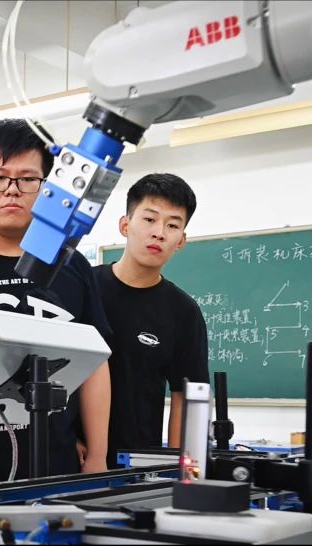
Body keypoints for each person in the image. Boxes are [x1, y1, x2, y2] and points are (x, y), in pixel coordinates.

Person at [0, 118, 112, 483]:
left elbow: (95, 365)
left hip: (57, 465)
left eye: (28, 179)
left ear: (48, 189)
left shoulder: (72, 265)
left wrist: (97, 456)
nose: (12, 190)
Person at [95, 173, 210, 465]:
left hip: (137, 462)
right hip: (71, 457)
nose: (159, 233)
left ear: (181, 240)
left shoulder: (183, 311)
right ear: (125, 225)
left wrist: (176, 469)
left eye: (172, 225)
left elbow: (185, 395)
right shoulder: (86, 288)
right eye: (149, 219)